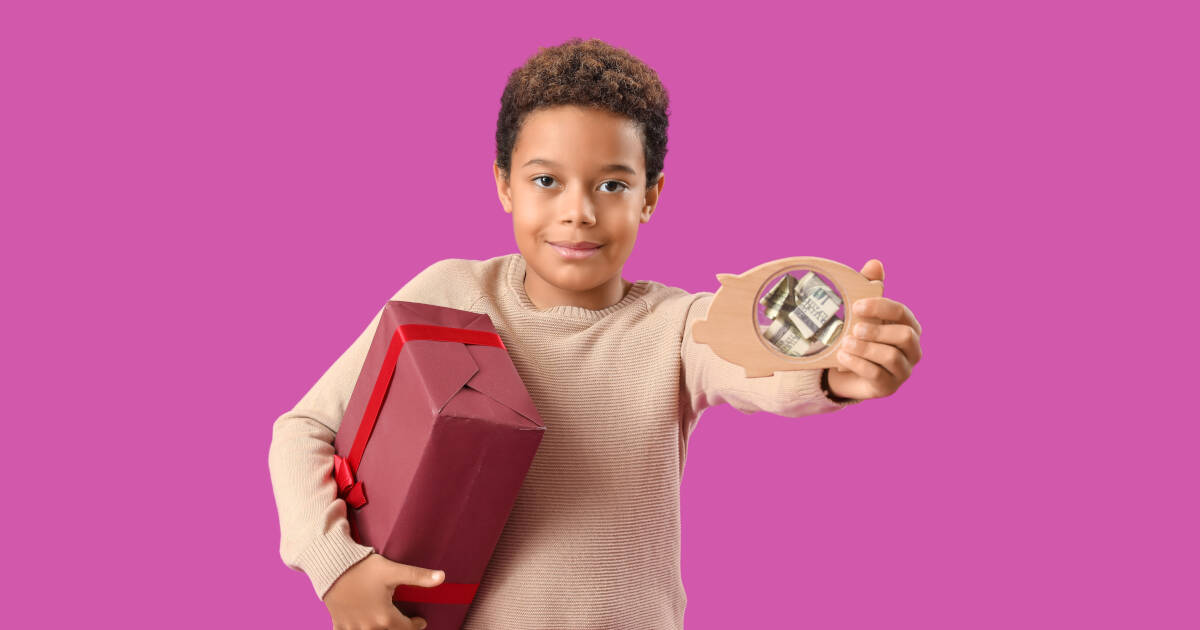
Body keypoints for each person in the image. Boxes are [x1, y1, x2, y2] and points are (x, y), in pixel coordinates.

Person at [267, 37, 923, 630]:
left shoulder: (677, 327)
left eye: (613, 184)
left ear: (651, 195)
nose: (577, 212)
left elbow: (758, 368)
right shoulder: (450, 294)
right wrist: (336, 566)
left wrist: (837, 370)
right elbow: (303, 430)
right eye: (546, 181)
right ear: (504, 186)